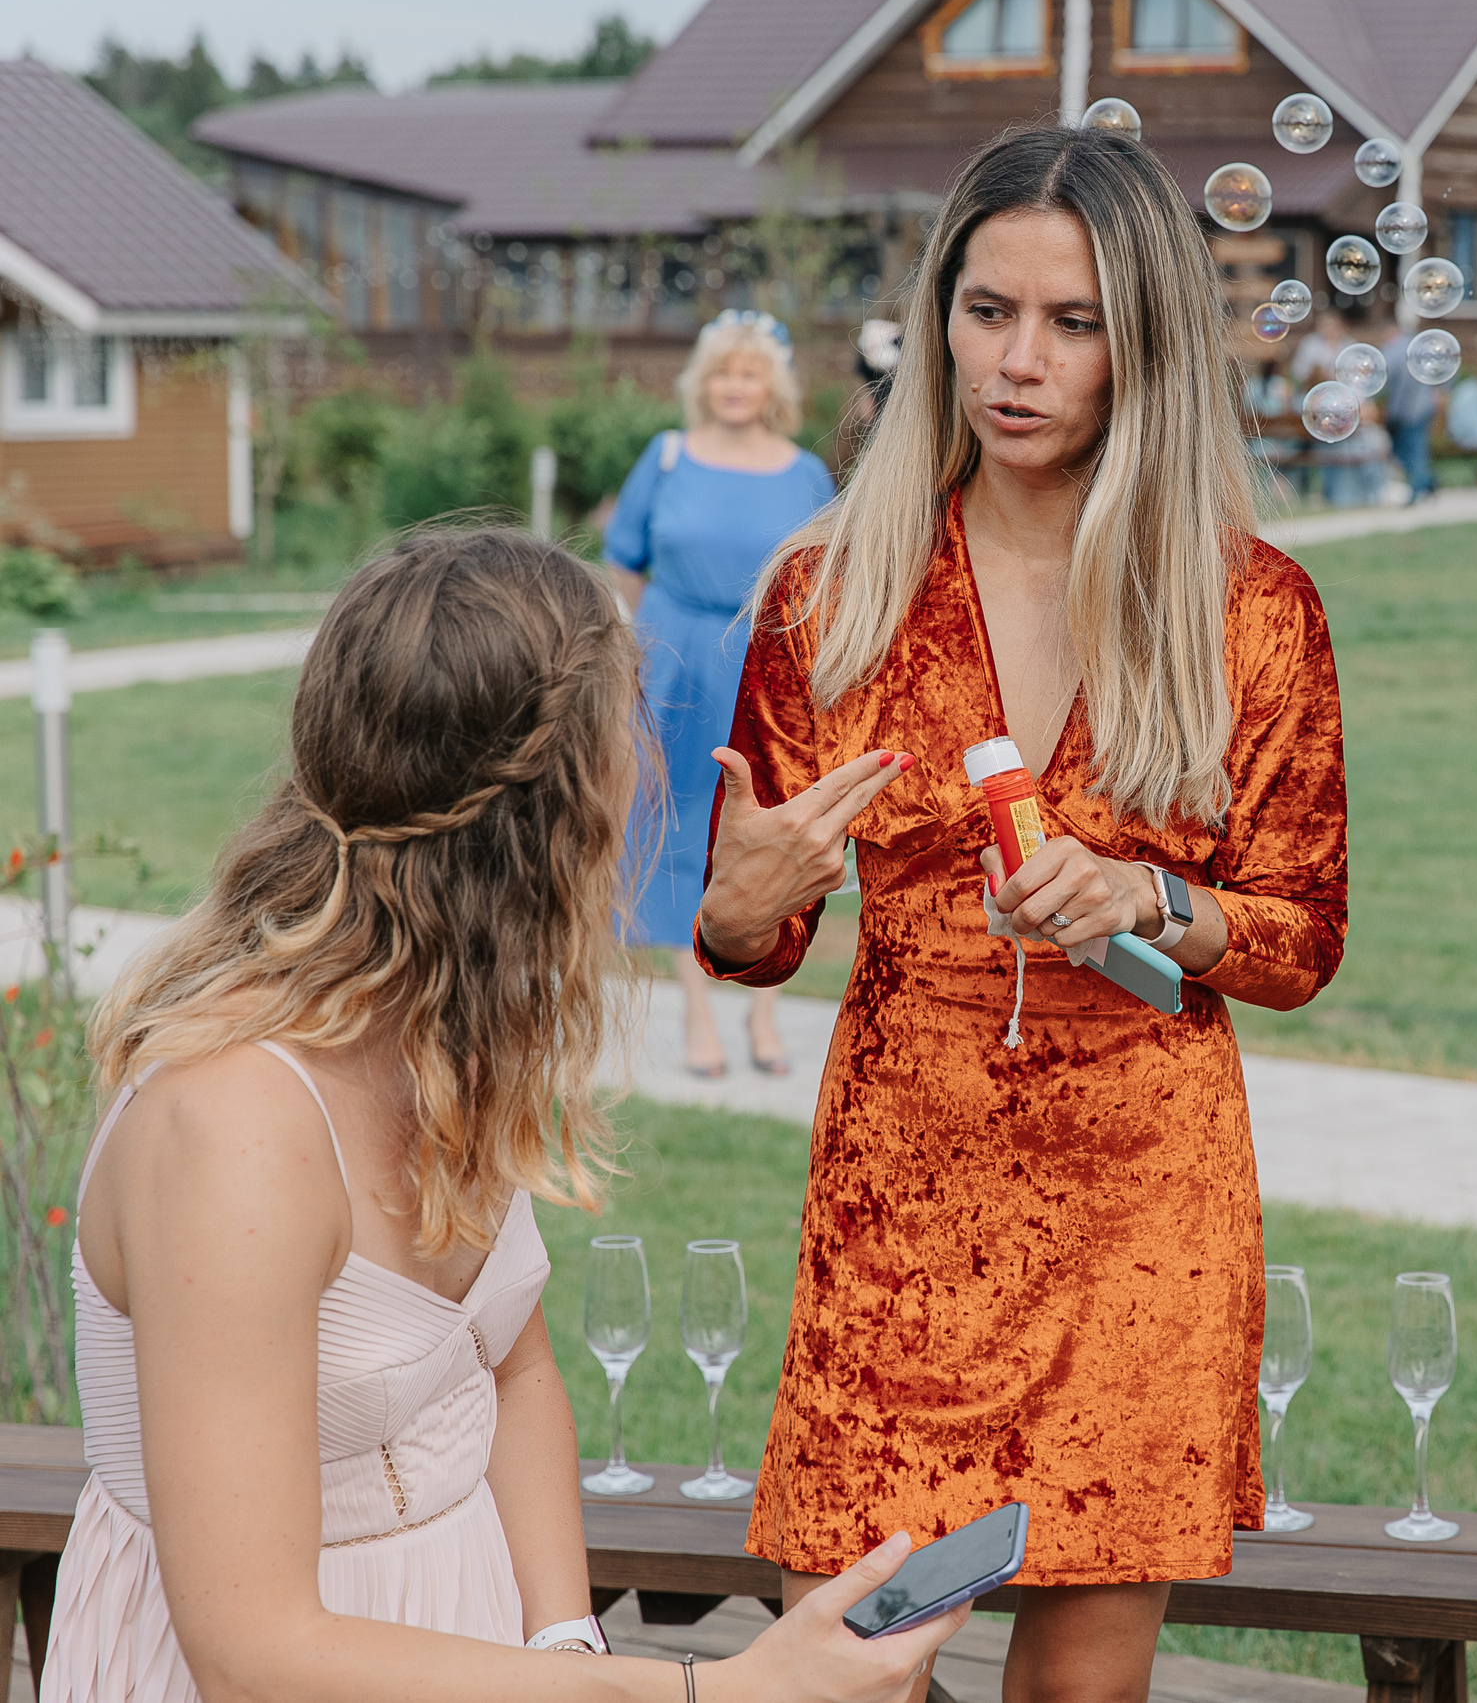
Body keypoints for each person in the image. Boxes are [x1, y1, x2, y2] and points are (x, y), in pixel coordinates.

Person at [45, 528, 959, 1703]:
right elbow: (251, 1651)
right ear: (554, 813)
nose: (644, 773)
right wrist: (713, 1692)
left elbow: (510, 1370)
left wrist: (565, 1644)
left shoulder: (437, 1031)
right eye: (626, 732)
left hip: (477, 1647)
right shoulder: (233, 1130)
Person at [694, 124, 1348, 1703]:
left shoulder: (1247, 605)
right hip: (902, 1187)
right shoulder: (830, 589)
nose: (1020, 362)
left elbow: (1302, 935)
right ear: (939, 319)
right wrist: (739, 906)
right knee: (845, 1666)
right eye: (988, 311)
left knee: (1077, 1692)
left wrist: (1153, 896)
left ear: (1146, 342)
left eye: (1073, 323)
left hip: (1141, 1197)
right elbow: (749, 937)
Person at [604, 310, 837, 1079]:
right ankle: (698, 1011)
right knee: (676, 823)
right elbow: (624, 557)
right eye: (724, 373)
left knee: (775, 816)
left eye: (750, 373)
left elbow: (827, 573)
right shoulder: (668, 456)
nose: (735, 386)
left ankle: (765, 1009)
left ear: (773, 386)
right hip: (674, 660)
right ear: (703, 382)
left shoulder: (806, 472)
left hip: (768, 661)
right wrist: (646, 636)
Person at [1380, 326, 1444, 502]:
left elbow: (1382, 378)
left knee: (1408, 452)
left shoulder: (1392, 351)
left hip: (1407, 411)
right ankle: (1427, 481)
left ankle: (1417, 491)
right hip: (1424, 406)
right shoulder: (1418, 347)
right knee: (1415, 451)